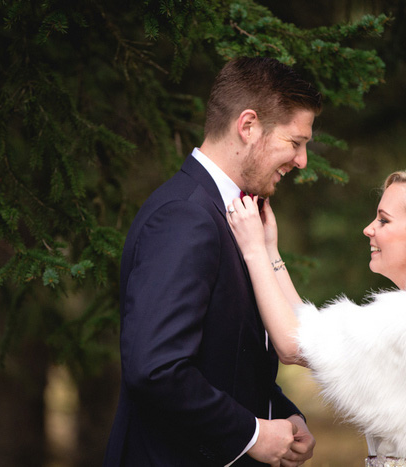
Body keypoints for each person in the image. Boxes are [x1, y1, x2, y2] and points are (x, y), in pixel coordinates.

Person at [103, 57, 323, 466]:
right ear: (248, 125)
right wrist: (252, 433)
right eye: (295, 142)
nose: (302, 161)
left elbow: (227, 364)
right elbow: (157, 369)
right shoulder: (184, 217)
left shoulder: (233, 216)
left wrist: (283, 415)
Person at [227, 171, 406, 467]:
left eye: (383, 220)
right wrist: (270, 249)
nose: (368, 229)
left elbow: (292, 344)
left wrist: (254, 249)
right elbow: (306, 329)